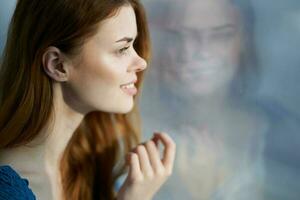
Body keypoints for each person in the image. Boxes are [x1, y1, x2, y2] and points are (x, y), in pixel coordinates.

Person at [0, 0, 176, 200]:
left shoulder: (89, 168)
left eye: (134, 45)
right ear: (58, 65)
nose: (141, 63)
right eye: (122, 48)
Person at [141, 0, 267, 199]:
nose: (193, 51)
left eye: (220, 36)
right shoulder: (132, 132)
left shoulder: (275, 133)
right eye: (177, 35)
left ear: (244, 42)